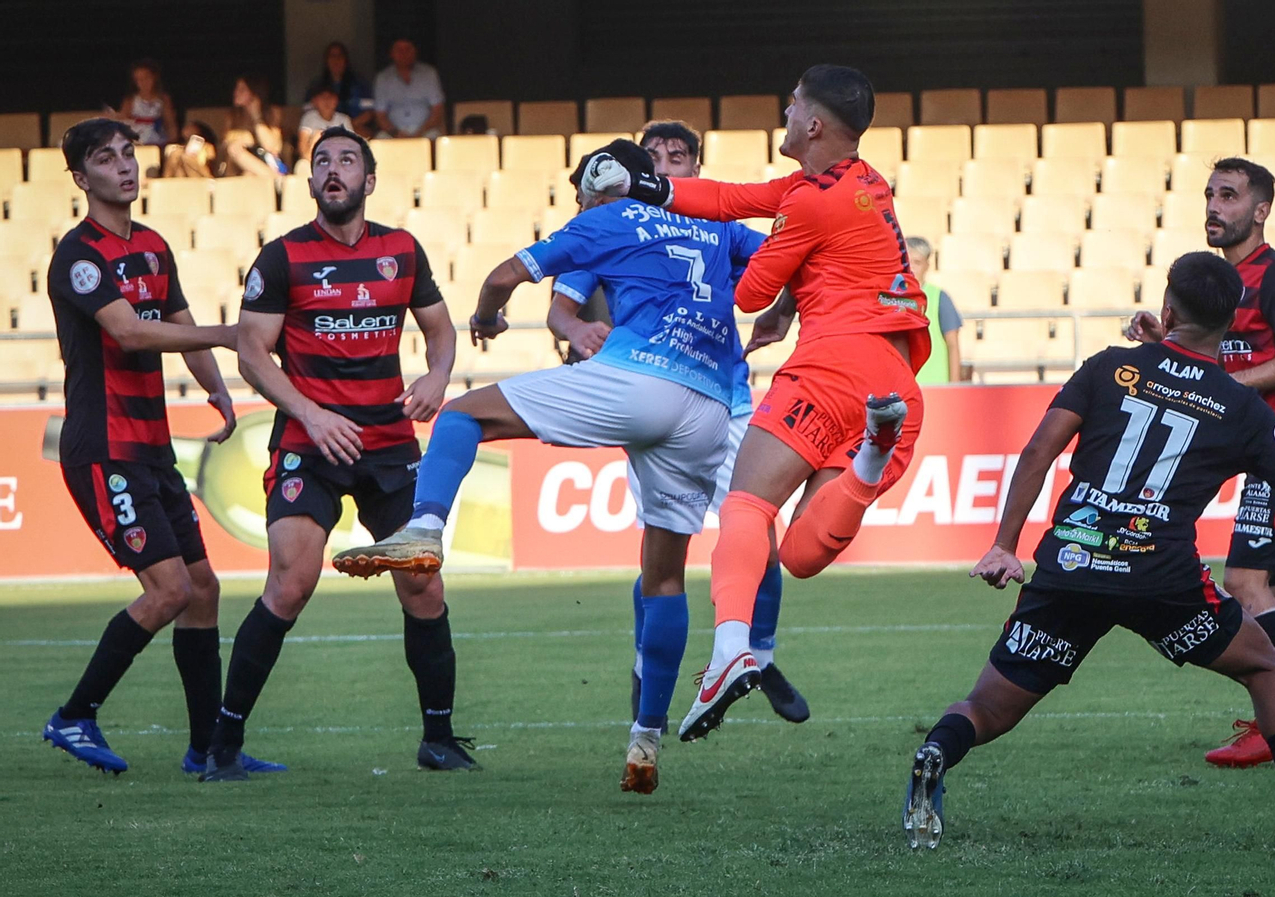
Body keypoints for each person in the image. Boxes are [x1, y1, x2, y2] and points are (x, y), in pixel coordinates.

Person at [332, 139, 767, 795]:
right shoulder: (713, 222)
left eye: (581, 192)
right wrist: (783, 314)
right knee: (665, 572)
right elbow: (783, 267)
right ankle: (645, 741)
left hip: (640, 379)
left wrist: (485, 317)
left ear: (598, 184)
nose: (580, 204)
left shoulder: (605, 218)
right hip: (711, 405)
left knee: (462, 416)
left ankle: (424, 526)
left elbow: (505, 276)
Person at [904, 252, 1275, 851]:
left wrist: (1003, 545)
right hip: (1161, 577)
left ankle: (935, 752)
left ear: (1166, 308)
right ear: (1230, 326)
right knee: (1264, 666)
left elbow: (1037, 452)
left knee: (987, 706)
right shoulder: (1241, 406)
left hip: (1070, 564)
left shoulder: (1108, 368)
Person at [583, 64, 931, 742]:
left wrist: (762, 296)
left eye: (793, 103)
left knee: (745, 504)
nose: (785, 109)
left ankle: (731, 645)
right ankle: (869, 460)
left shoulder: (809, 202)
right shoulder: (862, 183)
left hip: (832, 365)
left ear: (814, 124)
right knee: (799, 553)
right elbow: (734, 196)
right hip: (894, 383)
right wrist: (644, 185)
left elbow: (744, 294)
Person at [201, 126, 463, 781]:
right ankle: (223, 747)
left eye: (347, 160)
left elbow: (440, 329)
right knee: (291, 581)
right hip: (307, 443)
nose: (333, 169)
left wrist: (435, 376)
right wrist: (311, 415)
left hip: (387, 442)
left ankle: (439, 738)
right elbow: (253, 350)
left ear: (369, 181)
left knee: (423, 579)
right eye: (322, 161)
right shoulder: (282, 258)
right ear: (311, 181)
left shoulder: (401, 250)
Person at [40, 119, 283, 778]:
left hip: (151, 449)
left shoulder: (151, 245)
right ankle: (74, 713)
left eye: (128, 153)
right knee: (171, 588)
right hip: (103, 448)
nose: (124, 166)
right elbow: (131, 334)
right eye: (105, 158)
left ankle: (208, 751)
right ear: (81, 177)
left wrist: (220, 391)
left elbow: (178, 324)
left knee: (203, 588)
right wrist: (235, 334)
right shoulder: (79, 255)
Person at [551, 120, 808, 726]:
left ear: (696, 168)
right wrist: (578, 330)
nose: (665, 165)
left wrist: (784, 309)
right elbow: (561, 306)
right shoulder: (617, 226)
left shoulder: (720, 226)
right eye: (654, 156)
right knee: (662, 558)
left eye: (678, 155)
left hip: (731, 402)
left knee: (756, 535)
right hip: (658, 405)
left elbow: (792, 257)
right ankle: (649, 663)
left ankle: (758, 655)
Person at [1127, 158, 1275, 768]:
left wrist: (1236, 387)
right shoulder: (1224, 285)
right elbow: (1221, 364)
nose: (1214, 206)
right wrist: (1159, 344)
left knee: (1245, 583)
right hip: (1273, 452)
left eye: (1228, 195)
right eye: (1209, 195)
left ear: (1260, 210)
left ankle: (1273, 721)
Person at [905, 236, 965, 384]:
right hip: (904, 391)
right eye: (908, 262)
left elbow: (953, 344)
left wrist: (954, 387)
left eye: (917, 262)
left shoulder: (939, 298)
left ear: (927, 265)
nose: (911, 268)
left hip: (935, 385)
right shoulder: (893, 297)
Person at [373, 38, 444, 139]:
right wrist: (396, 133)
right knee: (380, 139)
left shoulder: (429, 74)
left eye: (408, 49)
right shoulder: (383, 78)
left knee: (436, 138)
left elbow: (437, 110)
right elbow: (380, 116)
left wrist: (420, 132)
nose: (404, 54)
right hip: (394, 133)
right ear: (392, 53)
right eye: (399, 50)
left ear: (415, 51)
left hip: (425, 131)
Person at [303, 41, 374, 137]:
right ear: (326, 60)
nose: (336, 60)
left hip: (356, 129)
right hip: (323, 130)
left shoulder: (360, 84)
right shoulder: (316, 86)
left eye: (340, 56)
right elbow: (308, 113)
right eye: (332, 56)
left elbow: (370, 112)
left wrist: (349, 124)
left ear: (346, 60)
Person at [223, 74, 286, 178]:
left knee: (249, 176)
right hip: (239, 165)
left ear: (254, 93)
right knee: (234, 149)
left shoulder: (272, 112)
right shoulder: (233, 115)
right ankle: (275, 178)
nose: (236, 93)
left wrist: (257, 116)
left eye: (242, 89)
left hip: (266, 162)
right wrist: (251, 139)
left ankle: (273, 177)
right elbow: (227, 140)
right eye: (236, 89)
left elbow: (272, 147)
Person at [116, 58, 177, 147]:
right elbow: (123, 122)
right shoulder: (131, 100)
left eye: (146, 78)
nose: (143, 83)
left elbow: (170, 122)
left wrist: (173, 142)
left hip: (159, 141)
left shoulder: (163, 99)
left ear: (154, 78)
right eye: (139, 80)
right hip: (137, 141)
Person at [298, 84, 354, 161]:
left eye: (330, 98)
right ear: (314, 101)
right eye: (322, 98)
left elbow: (351, 144)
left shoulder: (343, 119)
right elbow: (303, 147)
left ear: (336, 100)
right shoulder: (309, 118)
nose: (327, 101)